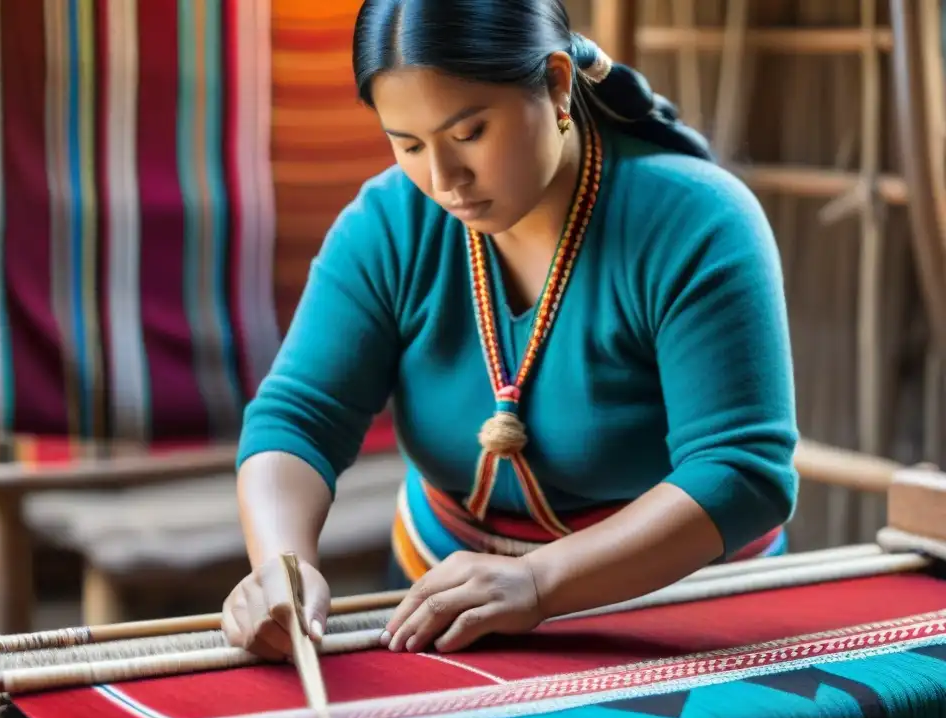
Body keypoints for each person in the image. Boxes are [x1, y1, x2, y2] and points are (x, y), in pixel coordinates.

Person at [221, 0, 799, 661]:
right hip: (443, 601)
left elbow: (741, 473)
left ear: (556, 84)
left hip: (682, 611)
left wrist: (538, 581)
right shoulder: (389, 224)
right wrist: (281, 562)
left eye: (469, 134)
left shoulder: (697, 222)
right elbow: (299, 418)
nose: (443, 181)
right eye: (407, 144)